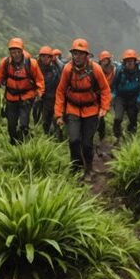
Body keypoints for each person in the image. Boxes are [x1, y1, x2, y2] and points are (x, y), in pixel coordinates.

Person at [54, 39, 110, 176]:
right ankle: (76, 168)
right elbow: (60, 91)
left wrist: (104, 108)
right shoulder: (68, 69)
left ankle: (89, 168)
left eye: (80, 54)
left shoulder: (95, 69)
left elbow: (105, 89)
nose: (77, 57)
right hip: (72, 109)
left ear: (86, 55)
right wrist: (59, 114)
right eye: (75, 53)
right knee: (74, 140)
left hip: (91, 110)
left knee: (87, 143)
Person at [0, 38, 44, 145]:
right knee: (11, 125)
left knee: (24, 124)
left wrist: (40, 93)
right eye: (13, 52)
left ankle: (22, 145)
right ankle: (13, 143)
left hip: (27, 97)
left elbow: (39, 80)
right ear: (10, 52)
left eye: (18, 51)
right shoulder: (5, 63)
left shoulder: (32, 63)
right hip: (11, 98)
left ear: (22, 51)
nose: (16, 54)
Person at [111, 49, 140, 140]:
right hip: (120, 97)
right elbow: (114, 84)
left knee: (133, 120)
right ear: (124, 62)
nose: (129, 63)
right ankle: (117, 134)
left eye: (131, 61)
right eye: (127, 61)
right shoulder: (120, 70)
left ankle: (131, 137)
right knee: (118, 118)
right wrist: (114, 95)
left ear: (134, 61)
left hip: (133, 97)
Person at [36, 46, 62, 137]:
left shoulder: (56, 67)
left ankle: (58, 137)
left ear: (51, 57)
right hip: (42, 97)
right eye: (43, 56)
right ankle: (46, 135)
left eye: (48, 56)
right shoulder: (36, 67)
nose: (45, 58)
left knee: (55, 118)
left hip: (54, 97)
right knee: (44, 118)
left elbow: (62, 76)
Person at [97, 51, 115, 141]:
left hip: (106, 95)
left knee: (101, 116)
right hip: (97, 95)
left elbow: (115, 83)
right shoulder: (97, 70)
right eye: (103, 60)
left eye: (106, 59)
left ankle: (101, 136)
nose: (105, 61)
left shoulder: (113, 70)